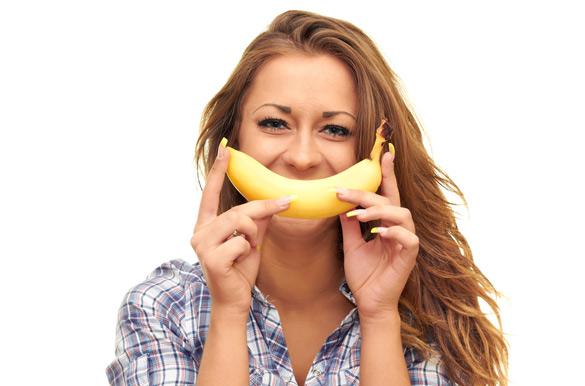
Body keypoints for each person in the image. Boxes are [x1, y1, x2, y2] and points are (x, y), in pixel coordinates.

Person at [106, 10, 508, 386]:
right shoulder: (162, 307)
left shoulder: (433, 315)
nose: (302, 158)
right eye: (275, 123)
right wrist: (229, 313)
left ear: (373, 150)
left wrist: (380, 315)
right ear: (233, 142)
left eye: (336, 130)